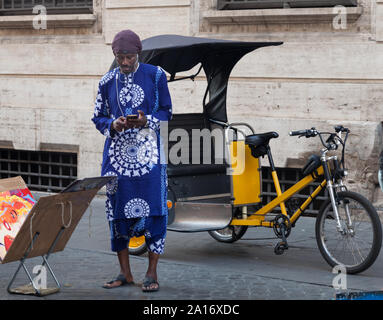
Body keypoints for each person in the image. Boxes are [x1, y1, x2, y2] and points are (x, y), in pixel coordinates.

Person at [91, 29, 172, 292]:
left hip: (150, 160)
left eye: (129, 57)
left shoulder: (156, 75)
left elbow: (167, 112)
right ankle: (125, 272)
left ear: (138, 54)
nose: (124, 62)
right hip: (117, 161)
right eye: (120, 57)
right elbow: (98, 117)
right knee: (117, 214)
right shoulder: (106, 81)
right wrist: (113, 123)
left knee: (155, 212)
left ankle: (151, 272)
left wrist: (146, 119)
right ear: (114, 55)